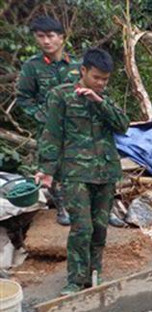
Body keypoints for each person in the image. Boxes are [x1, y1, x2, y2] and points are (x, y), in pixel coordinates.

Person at [35, 48, 129, 295]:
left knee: (99, 229)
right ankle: (75, 281)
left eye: (105, 79)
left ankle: (93, 275)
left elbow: (123, 125)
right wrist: (46, 169)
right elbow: (52, 135)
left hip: (106, 173)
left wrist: (99, 101)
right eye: (97, 78)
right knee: (82, 228)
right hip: (75, 174)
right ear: (83, 71)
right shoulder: (61, 96)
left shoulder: (104, 99)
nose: (101, 83)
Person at [15, 15, 80, 226]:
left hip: (75, 126)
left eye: (50, 36)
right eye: (40, 36)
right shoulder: (32, 67)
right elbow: (23, 97)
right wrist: (41, 115)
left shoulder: (76, 65)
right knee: (51, 165)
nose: (46, 41)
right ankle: (61, 207)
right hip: (48, 129)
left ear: (61, 37)